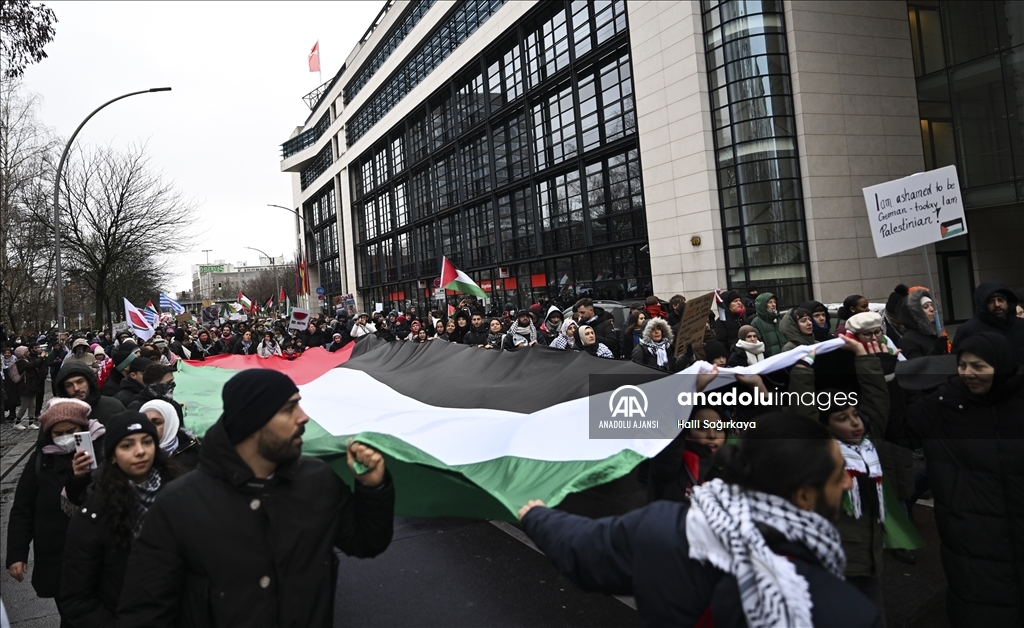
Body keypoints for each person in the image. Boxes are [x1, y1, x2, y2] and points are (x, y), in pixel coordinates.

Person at [518, 414, 880, 627]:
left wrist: (536, 516)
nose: (849, 482)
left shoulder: (664, 528)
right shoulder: (847, 613)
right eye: (838, 474)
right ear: (803, 495)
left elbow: (583, 547)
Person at [116, 369, 395, 626]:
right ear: (253, 421)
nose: (304, 417)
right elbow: (144, 612)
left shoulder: (317, 479)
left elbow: (366, 542)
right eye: (289, 409)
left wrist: (373, 488)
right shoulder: (178, 504)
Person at [895, 332, 1024, 626]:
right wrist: (885, 376)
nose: (968, 373)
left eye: (978, 366)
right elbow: (897, 429)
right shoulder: (944, 403)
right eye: (962, 365)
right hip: (973, 551)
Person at [59, 413, 179, 626]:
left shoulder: (180, 495)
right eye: (127, 445)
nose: (140, 451)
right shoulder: (94, 512)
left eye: (147, 442)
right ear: (113, 456)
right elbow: (77, 599)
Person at [6, 398, 107, 611]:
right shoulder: (40, 460)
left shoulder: (101, 451)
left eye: (70, 431)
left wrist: (81, 477)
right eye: (58, 433)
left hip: (98, 554)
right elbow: (23, 509)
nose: (65, 438)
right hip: (56, 556)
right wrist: (17, 554)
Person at [951, 282, 1024, 366]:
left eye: (1000, 300)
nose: (997, 304)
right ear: (983, 305)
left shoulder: (1021, 324)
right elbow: (958, 363)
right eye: (991, 301)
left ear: (1007, 303)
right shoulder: (968, 330)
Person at [53, 361, 126, 426]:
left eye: (80, 382)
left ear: (89, 381)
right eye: (69, 385)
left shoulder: (114, 407)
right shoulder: (57, 416)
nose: (76, 388)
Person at [140, 398, 201, 472]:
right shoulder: (135, 452)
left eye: (157, 422)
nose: (150, 427)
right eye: (145, 423)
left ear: (170, 425)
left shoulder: (190, 457)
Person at [897, 288, 948, 360]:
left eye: (932, 305)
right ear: (916, 313)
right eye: (925, 307)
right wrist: (935, 351)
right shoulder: (907, 341)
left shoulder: (935, 333)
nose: (932, 309)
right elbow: (916, 365)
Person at [13, 345, 45, 430]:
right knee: (24, 405)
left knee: (32, 405)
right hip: (25, 386)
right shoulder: (20, 362)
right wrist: (41, 358)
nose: (28, 353)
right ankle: (17, 422)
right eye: (26, 352)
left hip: (32, 385)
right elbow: (31, 365)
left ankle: (31, 422)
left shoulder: (27, 360)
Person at [749, 292, 783, 357]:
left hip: (785, 356)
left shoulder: (778, 319)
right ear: (763, 305)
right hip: (770, 358)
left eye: (775, 302)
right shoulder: (756, 323)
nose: (773, 305)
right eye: (770, 302)